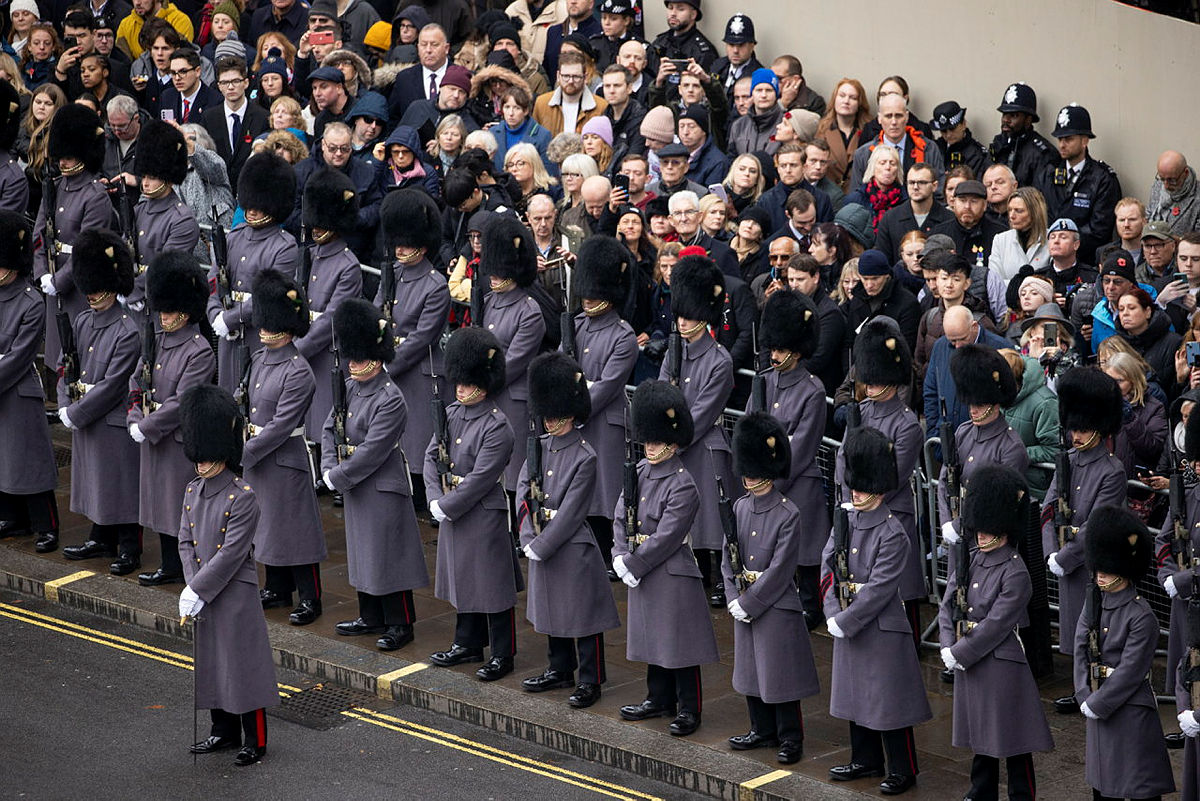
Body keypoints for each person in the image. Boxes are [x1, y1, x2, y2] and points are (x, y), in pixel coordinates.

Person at [823, 425, 931, 796]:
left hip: (881, 627)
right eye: (855, 484)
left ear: (880, 488)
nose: (855, 491)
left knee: (889, 702)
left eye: (863, 486)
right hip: (847, 618)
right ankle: (865, 758)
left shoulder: (892, 532)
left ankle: (903, 768)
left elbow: (880, 589)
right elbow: (827, 567)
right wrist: (831, 608)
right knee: (857, 695)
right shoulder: (848, 520)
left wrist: (844, 619)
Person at [937, 463, 1053, 801]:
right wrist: (947, 643)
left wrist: (959, 652)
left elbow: (998, 624)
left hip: (1001, 661)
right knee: (980, 731)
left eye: (989, 530)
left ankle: (1021, 794)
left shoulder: (1015, 571)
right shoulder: (971, 558)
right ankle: (981, 788)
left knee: (1015, 736)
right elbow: (948, 605)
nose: (981, 534)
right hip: (971, 658)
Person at [320, 298, 430, 651]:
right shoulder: (351, 387)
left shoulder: (390, 397)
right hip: (354, 482)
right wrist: (327, 466)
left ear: (378, 359)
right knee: (363, 553)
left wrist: (338, 475)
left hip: (381, 485)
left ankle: (400, 622)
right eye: (351, 358)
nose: (352, 364)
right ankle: (370, 615)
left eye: (359, 358)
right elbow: (328, 429)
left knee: (388, 556)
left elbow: (374, 449)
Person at [177, 384, 277, 768]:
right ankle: (223, 730)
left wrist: (197, 587)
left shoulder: (243, 495)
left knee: (243, 665)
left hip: (233, 593)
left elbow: (233, 552)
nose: (200, 464)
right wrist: (192, 584)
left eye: (206, 457)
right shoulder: (192, 489)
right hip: (204, 590)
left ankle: (256, 739)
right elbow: (185, 540)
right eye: (197, 457)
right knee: (214, 662)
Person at [613, 379, 719, 736]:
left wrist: (633, 562)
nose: (650, 445)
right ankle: (658, 698)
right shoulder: (639, 471)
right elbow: (620, 514)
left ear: (673, 443)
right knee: (652, 638)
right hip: (641, 565)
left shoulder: (683, 483)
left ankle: (689, 709)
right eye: (648, 438)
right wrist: (618, 553)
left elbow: (669, 536)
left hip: (670, 571)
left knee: (680, 646)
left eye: (657, 440)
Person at [516, 351, 620, 707]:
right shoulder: (539, 447)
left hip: (571, 545)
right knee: (550, 608)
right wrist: (528, 535)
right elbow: (522, 493)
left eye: (556, 414)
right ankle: (559, 668)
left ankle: (590, 680)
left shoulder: (585, 455)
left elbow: (573, 511)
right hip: (542, 539)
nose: (549, 421)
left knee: (583, 616)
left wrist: (542, 543)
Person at [724, 411, 819, 765]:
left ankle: (790, 737)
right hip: (745, 599)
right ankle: (761, 729)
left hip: (774, 604)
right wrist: (734, 595)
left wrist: (751, 600)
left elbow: (781, 569)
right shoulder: (738, 506)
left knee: (780, 674)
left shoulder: (788, 512)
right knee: (751, 670)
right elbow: (727, 556)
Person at [424, 325, 520, 677]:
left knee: (493, 585)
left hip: (481, 512)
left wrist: (445, 505)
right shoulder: (450, 413)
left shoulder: (497, 426)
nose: (460, 387)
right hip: (453, 507)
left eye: (466, 382)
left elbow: (481, 479)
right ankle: (466, 643)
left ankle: (502, 652)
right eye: (459, 382)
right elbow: (430, 457)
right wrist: (434, 497)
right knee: (463, 578)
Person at [1042, 368, 1127, 714]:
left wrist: (1066, 556)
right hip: (1067, 558)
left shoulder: (1112, 470)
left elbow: (1096, 525)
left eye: (1082, 429)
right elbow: (1049, 509)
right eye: (1073, 428)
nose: (1075, 435)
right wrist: (1052, 549)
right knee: (1077, 630)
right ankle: (1081, 688)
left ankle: (1095, 689)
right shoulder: (1069, 462)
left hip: (1092, 563)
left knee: (1097, 630)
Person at [1076, 506, 1175, 801]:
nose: (1101, 574)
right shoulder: (1094, 601)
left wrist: (1098, 703)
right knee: (1104, 785)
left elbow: (1132, 670)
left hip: (1130, 708)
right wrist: (1084, 693)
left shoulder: (1141, 615)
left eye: (1107, 569)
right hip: (1097, 699)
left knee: (1138, 783)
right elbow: (1081, 647)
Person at [57, 230, 141, 573]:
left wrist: (75, 412)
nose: (91, 295)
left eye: (98, 289)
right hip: (86, 414)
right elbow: (67, 364)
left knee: (119, 486)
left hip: (110, 418)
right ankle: (100, 537)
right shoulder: (82, 320)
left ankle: (128, 548)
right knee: (95, 483)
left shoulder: (127, 331)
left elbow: (113, 385)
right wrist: (65, 398)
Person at [131, 252, 217, 585]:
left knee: (178, 509)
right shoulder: (159, 339)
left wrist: (146, 425)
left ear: (184, 312)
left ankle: (184, 566)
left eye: (168, 311)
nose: (162, 317)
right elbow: (137, 381)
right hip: (153, 435)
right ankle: (170, 565)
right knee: (161, 508)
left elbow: (182, 401)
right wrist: (134, 415)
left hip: (177, 440)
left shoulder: (198, 350)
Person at [656, 253, 734, 607]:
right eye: (681, 314)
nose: (683, 321)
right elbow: (659, 394)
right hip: (676, 445)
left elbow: (702, 413)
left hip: (703, 445)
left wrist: (673, 435)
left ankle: (720, 577)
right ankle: (697, 571)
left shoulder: (719, 360)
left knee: (711, 521)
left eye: (690, 315)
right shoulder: (675, 352)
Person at [751, 289, 828, 623]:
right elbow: (751, 430)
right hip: (766, 479)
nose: (775, 353)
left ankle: (812, 605)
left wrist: (772, 479)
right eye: (774, 347)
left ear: (796, 351)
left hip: (797, 482)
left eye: (781, 348)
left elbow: (802, 444)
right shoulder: (765, 381)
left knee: (804, 552)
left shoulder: (813, 389)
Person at [569, 236, 638, 570]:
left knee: (606, 494)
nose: (587, 296)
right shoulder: (577, 326)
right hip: (577, 419)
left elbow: (608, 385)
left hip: (604, 421)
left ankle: (611, 551)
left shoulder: (623, 335)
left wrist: (573, 404)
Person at [375, 190, 451, 491]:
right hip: (387, 365)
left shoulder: (435, 285)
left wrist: (384, 364)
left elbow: (421, 338)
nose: (399, 249)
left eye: (406, 243)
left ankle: (422, 489)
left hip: (417, 371)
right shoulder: (392, 274)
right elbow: (376, 313)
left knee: (417, 439)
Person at [34, 103, 116, 371]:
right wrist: (42, 273)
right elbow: (38, 236)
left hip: (77, 287)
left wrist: (60, 280)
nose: (63, 161)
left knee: (76, 358)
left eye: (68, 156)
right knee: (55, 358)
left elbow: (87, 247)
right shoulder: (56, 187)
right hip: (52, 277)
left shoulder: (95, 196)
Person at [208, 151, 299, 393]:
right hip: (228, 334)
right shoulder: (235, 236)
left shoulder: (284, 246)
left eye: (260, 205)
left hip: (258, 336)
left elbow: (269, 294)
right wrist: (214, 311)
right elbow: (214, 278)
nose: (253, 211)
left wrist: (229, 318)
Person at [0, 210, 61, 554]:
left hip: (19, 390)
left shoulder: (30, 301)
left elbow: (19, 355)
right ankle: (11, 516)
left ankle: (45, 524)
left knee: (30, 461)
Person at [293, 167, 362, 443]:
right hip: (303, 352)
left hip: (325, 357)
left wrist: (297, 350)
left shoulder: (348, 266)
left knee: (322, 434)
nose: (317, 227)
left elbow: (331, 318)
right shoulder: (308, 255)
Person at [126, 119, 199, 316]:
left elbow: (165, 267)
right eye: (144, 176)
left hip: (163, 303)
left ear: (167, 177)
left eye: (152, 177)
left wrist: (134, 290)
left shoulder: (181, 219)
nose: (146, 183)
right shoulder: (139, 210)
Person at [1035, 104, 1122, 262]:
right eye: (1060, 139)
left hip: (1086, 262)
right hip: (1047, 259)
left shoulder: (1102, 178)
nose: (1062, 144)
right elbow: (1039, 217)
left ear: (1084, 141)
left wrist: (1068, 244)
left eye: (1068, 139)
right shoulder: (1048, 173)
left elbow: (1100, 231)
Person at [848, 93, 943, 194]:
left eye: (898, 116)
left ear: (907, 117)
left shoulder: (929, 149)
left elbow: (939, 191)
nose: (894, 122)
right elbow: (856, 198)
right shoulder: (863, 154)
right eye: (888, 116)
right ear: (879, 118)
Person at [201, 57, 270, 189]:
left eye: (236, 81)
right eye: (225, 82)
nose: (230, 87)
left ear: (246, 83)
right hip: (218, 190)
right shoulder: (209, 118)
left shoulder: (263, 117)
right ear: (219, 86)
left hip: (252, 189)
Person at [842, 248, 921, 360]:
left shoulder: (907, 303)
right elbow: (849, 343)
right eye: (865, 279)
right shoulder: (857, 300)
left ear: (886, 276)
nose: (869, 285)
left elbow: (905, 349)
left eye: (875, 279)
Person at [872, 162, 951, 265]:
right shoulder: (890, 219)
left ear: (934, 186)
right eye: (911, 182)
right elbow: (883, 261)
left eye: (922, 182)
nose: (915, 187)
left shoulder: (949, 219)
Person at [1118, 287, 1181, 400]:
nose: (1125, 314)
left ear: (1147, 312)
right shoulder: (1117, 344)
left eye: (1132, 308)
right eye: (1121, 309)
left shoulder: (1173, 342)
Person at [988, 82, 1054, 189]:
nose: (1006, 120)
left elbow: (1038, 198)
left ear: (1028, 119)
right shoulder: (998, 143)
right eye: (1004, 114)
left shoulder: (1041, 154)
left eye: (1013, 115)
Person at [815, 77, 870, 193]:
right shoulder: (822, 130)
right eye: (842, 95)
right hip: (829, 195)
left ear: (859, 103)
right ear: (834, 99)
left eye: (852, 98)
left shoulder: (868, 132)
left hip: (857, 195)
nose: (846, 101)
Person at [989, 186, 1050, 283]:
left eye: (1019, 211)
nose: (1011, 216)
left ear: (1035, 213)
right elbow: (995, 282)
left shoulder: (1051, 238)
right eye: (1009, 210)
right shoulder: (1000, 240)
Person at [844, 144, 906, 235]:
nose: (888, 167)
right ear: (873, 167)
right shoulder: (855, 200)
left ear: (897, 170)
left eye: (892, 163)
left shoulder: (905, 201)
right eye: (882, 163)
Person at [928, 100, 989, 179]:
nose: (948, 135)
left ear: (963, 124)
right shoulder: (934, 148)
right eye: (944, 131)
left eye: (952, 129)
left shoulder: (976, 154)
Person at [1148, 150, 1199, 237]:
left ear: (1185, 173)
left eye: (1172, 180)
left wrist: (1173, 241)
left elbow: (1197, 239)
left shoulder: (1197, 196)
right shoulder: (1157, 185)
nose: (1166, 185)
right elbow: (1148, 214)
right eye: (1162, 178)